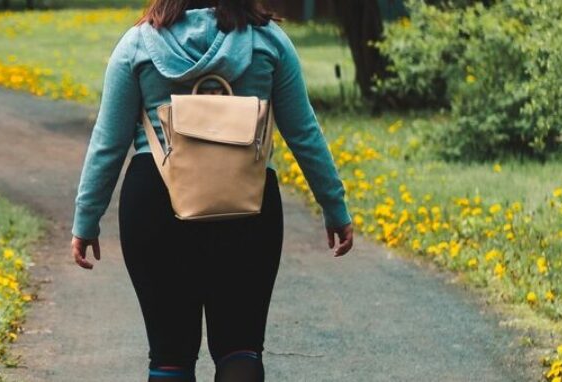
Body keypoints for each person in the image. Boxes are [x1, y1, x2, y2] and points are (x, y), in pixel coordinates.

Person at [69, 0, 355, 381]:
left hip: (155, 208)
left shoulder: (137, 45)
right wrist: (334, 207)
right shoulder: (268, 42)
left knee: (169, 355)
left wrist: (86, 220)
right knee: (241, 346)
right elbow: (304, 133)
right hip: (248, 207)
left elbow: (108, 143)